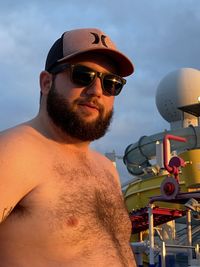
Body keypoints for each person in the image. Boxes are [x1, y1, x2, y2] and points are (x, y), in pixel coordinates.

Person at [0, 28, 136, 267]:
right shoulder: (14, 152)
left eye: (111, 83)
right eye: (82, 75)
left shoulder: (106, 169)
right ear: (46, 82)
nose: (96, 91)